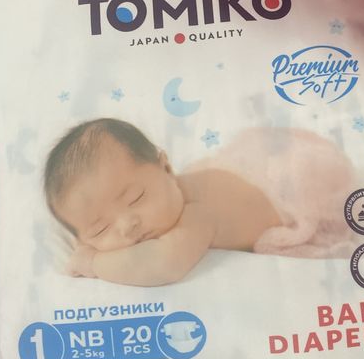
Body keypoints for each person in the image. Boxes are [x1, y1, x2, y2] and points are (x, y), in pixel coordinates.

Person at [44, 118, 282, 286]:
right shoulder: (162, 199)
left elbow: (163, 264)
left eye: (136, 198)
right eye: (100, 229)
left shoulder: (198, 213)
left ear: (166, 169)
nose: (127, 225)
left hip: (280, 205)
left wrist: (93, 262)